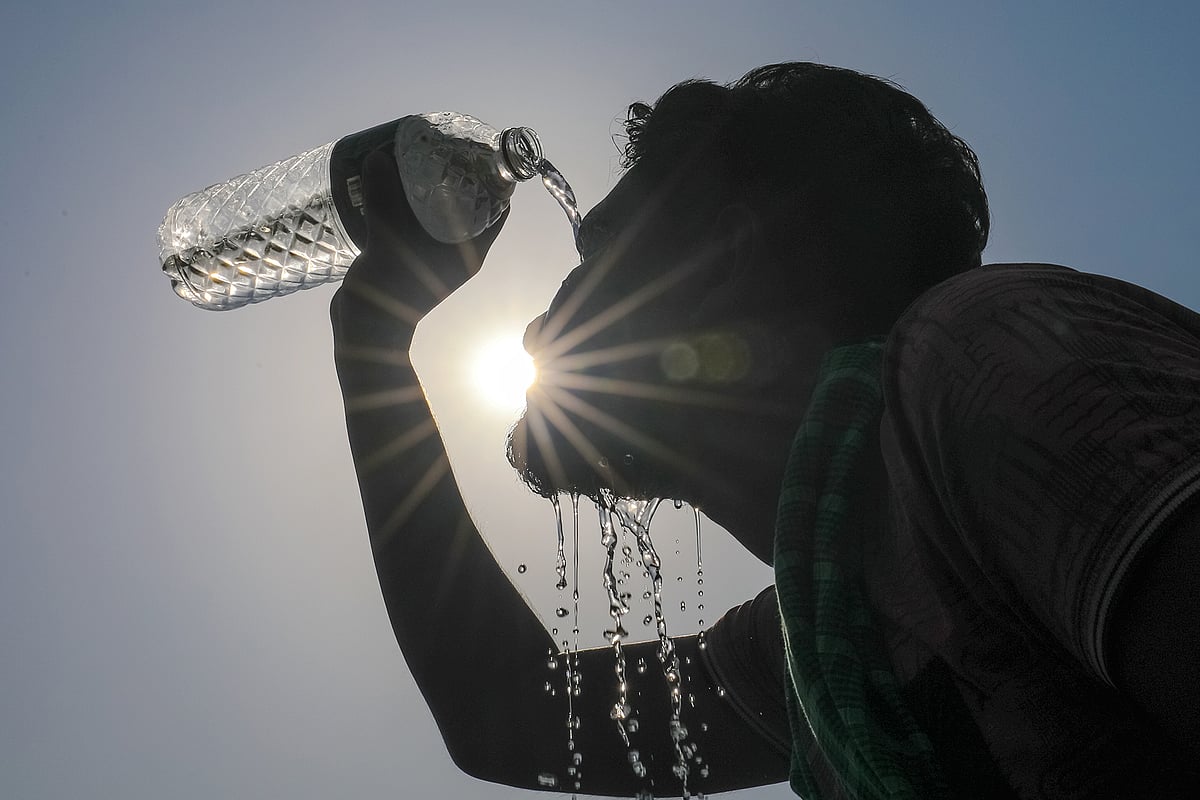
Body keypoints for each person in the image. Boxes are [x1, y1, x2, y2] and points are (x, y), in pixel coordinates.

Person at [330, 63, 1200, 799]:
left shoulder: (988, 358)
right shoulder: (827, 644)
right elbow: (508, 714)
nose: (533, 331)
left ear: (725, 256)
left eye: (593, 257)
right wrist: (372, 348)